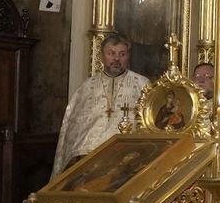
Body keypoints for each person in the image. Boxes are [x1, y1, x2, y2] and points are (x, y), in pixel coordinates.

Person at [53, 34, 150, 176]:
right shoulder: (87, 87)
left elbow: (150, 124)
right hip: (90, 156)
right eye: (111, 53)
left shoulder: (142, 85)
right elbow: (74, 127)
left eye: (122, 54)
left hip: (128, 156)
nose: (116, 59)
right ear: (102, 56)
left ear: (128, 56)